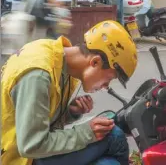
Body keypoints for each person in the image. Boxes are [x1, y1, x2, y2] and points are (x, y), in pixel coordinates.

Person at [1, 20, 137, 165]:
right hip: (20, 158)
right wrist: (87, 132)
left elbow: (35, 117)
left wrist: (70, 112)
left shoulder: (57, 58)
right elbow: (31, 144)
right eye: (109, 78)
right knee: (114, 136)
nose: (106, 86)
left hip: (31, 151)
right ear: (95, 62)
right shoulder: (38, 75)